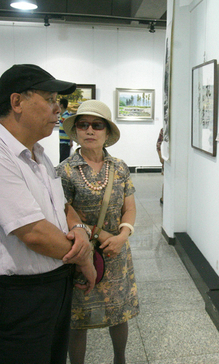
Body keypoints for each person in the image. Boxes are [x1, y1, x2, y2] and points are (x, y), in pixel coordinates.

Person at [0, 64, 97, 364]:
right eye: (49, 99)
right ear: (17, 102)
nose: (57, 107)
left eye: (57, 101)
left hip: (53, 288)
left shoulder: (38, 154)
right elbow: (34, 233)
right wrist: (84, 256)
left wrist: (80, 230)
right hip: (16, 298)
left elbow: (62, 207)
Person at [56, 100, 139, 364]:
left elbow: (129, 208)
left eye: (97, 125)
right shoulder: (65, 171)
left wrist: (122, 236)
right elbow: (65, 215)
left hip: (116, 253)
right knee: (78, 317)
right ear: (76, 131)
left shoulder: (120, 167)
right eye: (83, 125)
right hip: (83, 253)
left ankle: (120, 360)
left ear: (106, 132)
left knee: (118, 313)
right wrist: (101, 236)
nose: (90, 130)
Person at [59, 97, 73, 162]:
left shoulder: (66, 116)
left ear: (61, 105)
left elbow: (70, 128)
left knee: (64, 161)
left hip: (65, 142)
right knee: (62, 159)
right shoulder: (62, 115)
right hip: (62, 141)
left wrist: (71, 141)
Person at [156, 128, 164, 204]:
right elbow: (159, 144)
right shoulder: (164, 129)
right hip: (168, 159)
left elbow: (158, 144)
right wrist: (161, 157)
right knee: (166, 180)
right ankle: (164, 198)